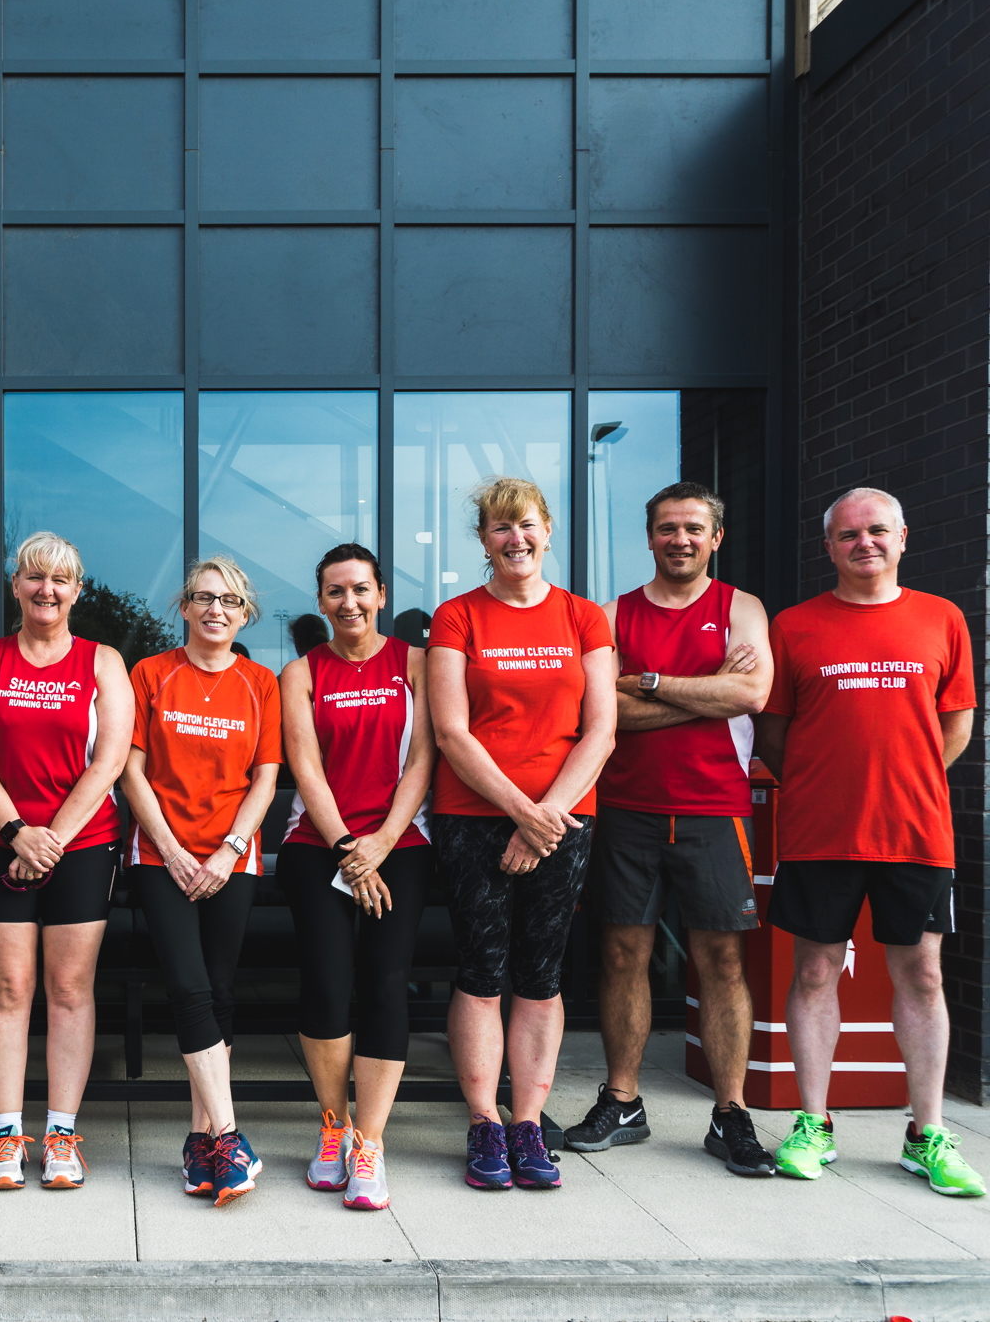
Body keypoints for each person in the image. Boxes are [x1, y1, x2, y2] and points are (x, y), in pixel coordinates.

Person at [754, 487, 983, 1196]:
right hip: (821, 832)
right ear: (829, 546)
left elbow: (956, 726)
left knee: (923, 974)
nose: (864, 543)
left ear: (903, 537)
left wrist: (899, 779)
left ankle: (925, 1133)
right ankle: (814, 1123)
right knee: (816, 972)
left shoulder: (942, 619)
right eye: (848, 534)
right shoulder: (794, 626)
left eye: (877, 531)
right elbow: (773, 733)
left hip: (916, 831)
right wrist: (831, 785)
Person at [563, 483, 775, 1176]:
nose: (679, 539)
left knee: (720, 961)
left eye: (693, 528)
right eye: (666, 528)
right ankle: (622, 1100)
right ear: (648, 537)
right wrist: (699, 689)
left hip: (717, 808)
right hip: (627, 806)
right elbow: (603, 712)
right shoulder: (612, 614)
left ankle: (731, 1112)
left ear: (716, 537)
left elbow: (750, 693)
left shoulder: (740, 607)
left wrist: (647, 681)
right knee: (623, 953)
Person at [428, 477, 616, 1192]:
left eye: (528, 526)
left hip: (564, 813)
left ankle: (529, 1122)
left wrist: (545, 820)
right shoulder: (457, 617)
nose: (516, 540)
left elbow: (600, 729)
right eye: (501, 529)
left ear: (547, 531)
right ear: (483, 541)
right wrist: (522, 812)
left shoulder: (582, 618)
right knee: (481, 968)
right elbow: (451, 730)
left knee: (541, 972)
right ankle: (483, 1119)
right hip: (475, 814)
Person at [0, 532, 134, 1192]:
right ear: (16, 584)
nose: (46, 590)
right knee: (7, 988)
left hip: (81, 842)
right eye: (35, 577)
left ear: (76, 591)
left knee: (68, 989)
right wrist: (15, 831)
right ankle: (6, 1135)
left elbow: (110, 759)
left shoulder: (101, 661)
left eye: (60, 580)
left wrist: (50, 837)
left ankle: (60, 1132)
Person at [121, 556, 282, 1207]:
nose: (216, 608)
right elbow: (131, 771)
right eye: (203, 597)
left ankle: (200, 1141)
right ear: (182, 607)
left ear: (245, 614)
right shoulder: (151, 674)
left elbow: (265, 777)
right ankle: (231, 1133)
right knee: (188, 987)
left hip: (231, 858)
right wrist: (173, 848)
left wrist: (228, 849)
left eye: (230, 600)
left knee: (217, 992)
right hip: (160, 856)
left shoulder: (260, 682)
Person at [278, 543, 435, 1211]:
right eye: (336, 592)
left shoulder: (416, 663)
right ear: (320, 600)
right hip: (319, 840)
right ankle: (333, 1124)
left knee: (384, 980)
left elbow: (426, 756)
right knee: (327, 979)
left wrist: (383, 842)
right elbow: (306, 768)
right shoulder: (300, 671)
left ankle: (368, 1141)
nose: (350, 603)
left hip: (400, 838)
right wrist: (349, 847)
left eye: (361, 590)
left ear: (380, 594)